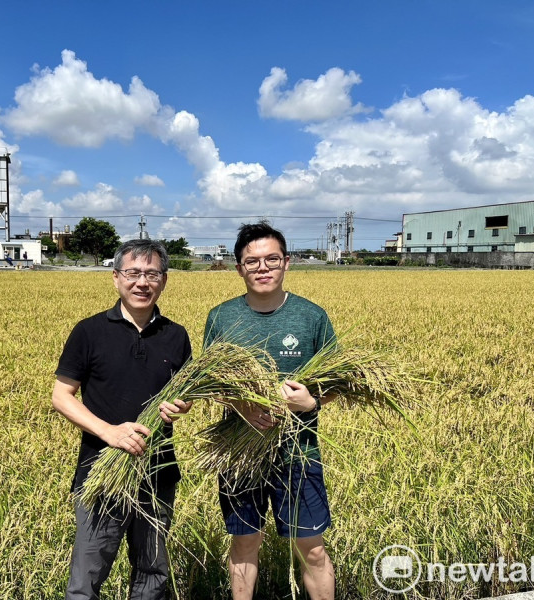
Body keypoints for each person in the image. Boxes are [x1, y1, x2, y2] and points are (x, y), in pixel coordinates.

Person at [52, 238, 193, 600]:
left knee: (152, 574)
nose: (142, 282)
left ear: (164, 280)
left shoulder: (176, 336)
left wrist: (181, 406)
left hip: (158, 472)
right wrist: (109, 433)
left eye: (152, 274)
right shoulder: (89, 331)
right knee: (88, 577)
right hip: (101, 473)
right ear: (116, 278)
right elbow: (61, 396)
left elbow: (185, 395)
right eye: (132, 273)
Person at [203, 222, 337, 600]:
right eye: (252, 261)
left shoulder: (312, 317)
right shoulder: (221, 318)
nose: (263, 268)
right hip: (239, 453)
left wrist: (311, 402)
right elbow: (211, 383)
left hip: (299, 452)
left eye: (271, 260)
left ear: (286, 263)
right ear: (239, 268)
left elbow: (336, 382)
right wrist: (242, 407)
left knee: (312, 548)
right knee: (245, 544)